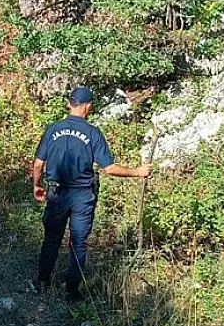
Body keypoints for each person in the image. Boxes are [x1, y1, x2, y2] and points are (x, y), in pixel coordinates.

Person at [32, 86, 151, 301]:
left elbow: (38, 163)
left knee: (51, 239)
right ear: (88, 107)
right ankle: (72, 292)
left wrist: (37, 185)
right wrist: (138, 172)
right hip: (82, 197)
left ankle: (42, 282)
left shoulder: (53, 129)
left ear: (70, 104)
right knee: (78, 242)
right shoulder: (93, 133)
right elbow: (109, 168)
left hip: (57, 193)